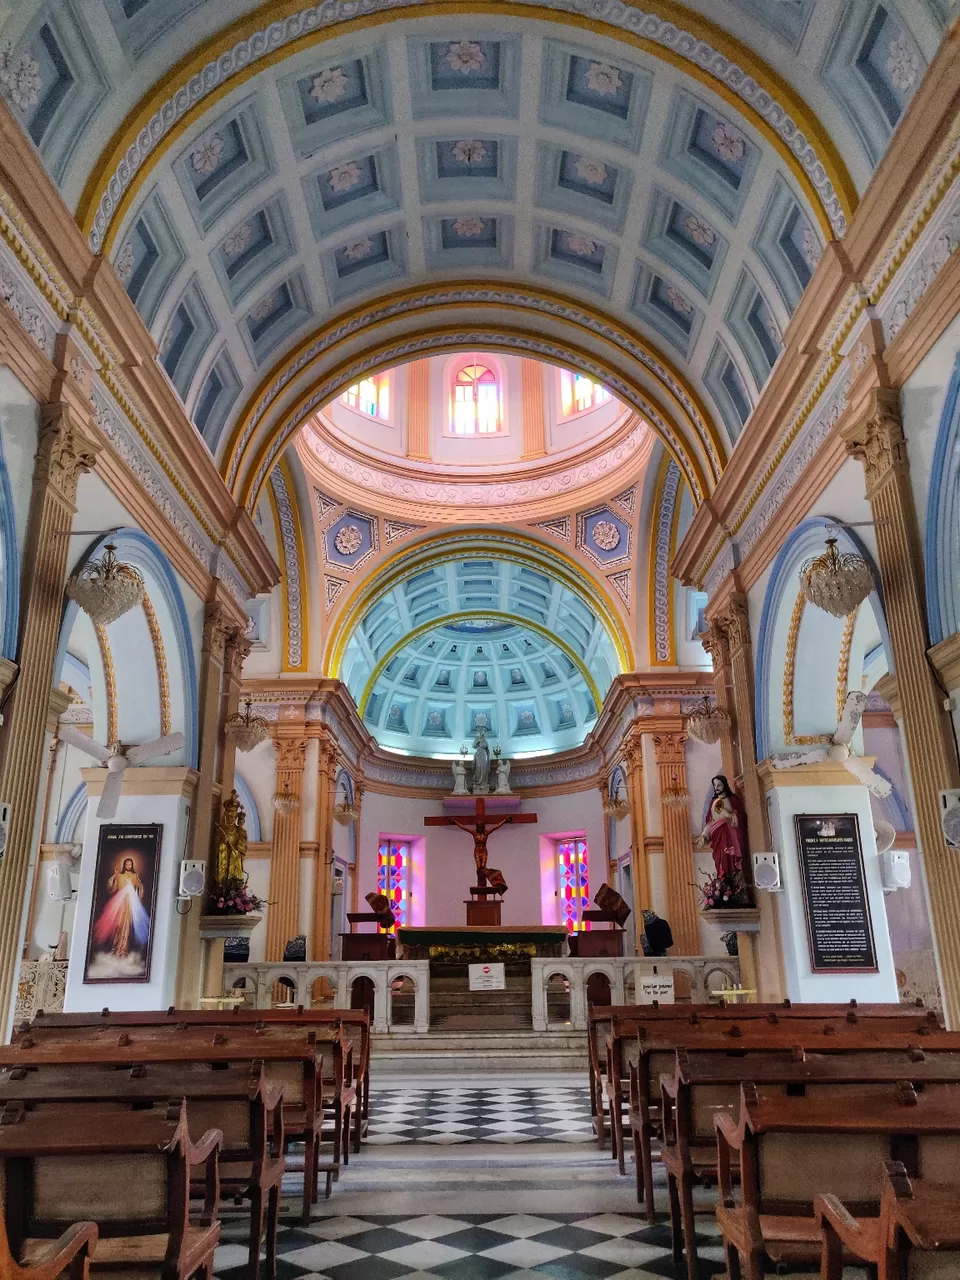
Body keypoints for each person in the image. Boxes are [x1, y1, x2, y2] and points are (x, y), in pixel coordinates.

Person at [92, 856, 150, 960]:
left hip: (128, 903)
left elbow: (139, 888)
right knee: (118, 926)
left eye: (130, 864)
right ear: (124, 865)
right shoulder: (120, 875)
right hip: (118, 903)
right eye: (127, 864)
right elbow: (112, 888)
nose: (128, 866)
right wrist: (115, 874)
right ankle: (115, 949)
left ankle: (123, 950)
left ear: (132, 865)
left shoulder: (134, 875)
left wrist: (139, 886)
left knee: (125, 927)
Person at [697, 774, 747, 877]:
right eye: (715, 786)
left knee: (731, 859)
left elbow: (742, 817)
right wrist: (704, 835)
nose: (716, 788)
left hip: (730, 836)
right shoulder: (713, 803)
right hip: (718, 838)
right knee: (720, 860)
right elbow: (711, 822)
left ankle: (737, 881)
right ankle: (723, 880)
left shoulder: (732, 799)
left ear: (724, 785)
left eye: (719, 785)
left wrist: (734, 817)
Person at [215, 789, 248, 885]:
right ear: (225, 816)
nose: (231, 820)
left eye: (234, 817)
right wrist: (222, 842)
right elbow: (215, 846)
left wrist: (236, 851)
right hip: (223, 861)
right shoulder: (220, 830)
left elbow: (242, 850)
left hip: (234, 862)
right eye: (229, 817)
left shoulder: (240, 831)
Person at [472, 727, 490, 792]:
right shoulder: (477, 739)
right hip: (478, 754)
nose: (480, 732)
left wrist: (480, 743)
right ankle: (477, 782)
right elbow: (473, 746)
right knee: (478, 767)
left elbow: (485, 745)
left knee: (483, 768)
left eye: (482, 731)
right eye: (479, 731)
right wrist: (478, 740)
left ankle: (483, 783)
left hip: (483, 754)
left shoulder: (484, 739)